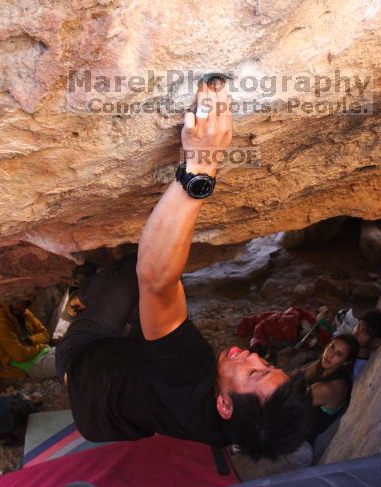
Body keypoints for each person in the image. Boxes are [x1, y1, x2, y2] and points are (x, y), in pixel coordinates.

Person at [55, 77, 313, 460]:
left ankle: (74, 305)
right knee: (156, 315)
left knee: (134, 266)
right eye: (268, 363)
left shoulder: (187, 368)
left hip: (82, 361)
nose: (255, 356)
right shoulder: (231, 428)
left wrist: (202, 167)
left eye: (254, 373)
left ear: (225, 406)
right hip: (105, 420)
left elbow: (155, 278)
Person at [299, 334, 359, 443]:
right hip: (291, 425)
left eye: (339, 354)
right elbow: (294, 377)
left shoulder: (332, 388)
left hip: (298, 441)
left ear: (346, 362)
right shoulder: (322, 365)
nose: (330, 354)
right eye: (331, 347)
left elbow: (289, 400)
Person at [0, 297, 57, 379]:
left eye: (23, 302)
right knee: (65, 364)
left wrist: (30, 340)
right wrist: (39, 346)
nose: (20, 305)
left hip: (43, 351)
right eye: (16, 301)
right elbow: (19, 355)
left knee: (70, 351)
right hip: (28, 364)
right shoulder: (1, 324)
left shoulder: (24, 313)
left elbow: (45, 335)